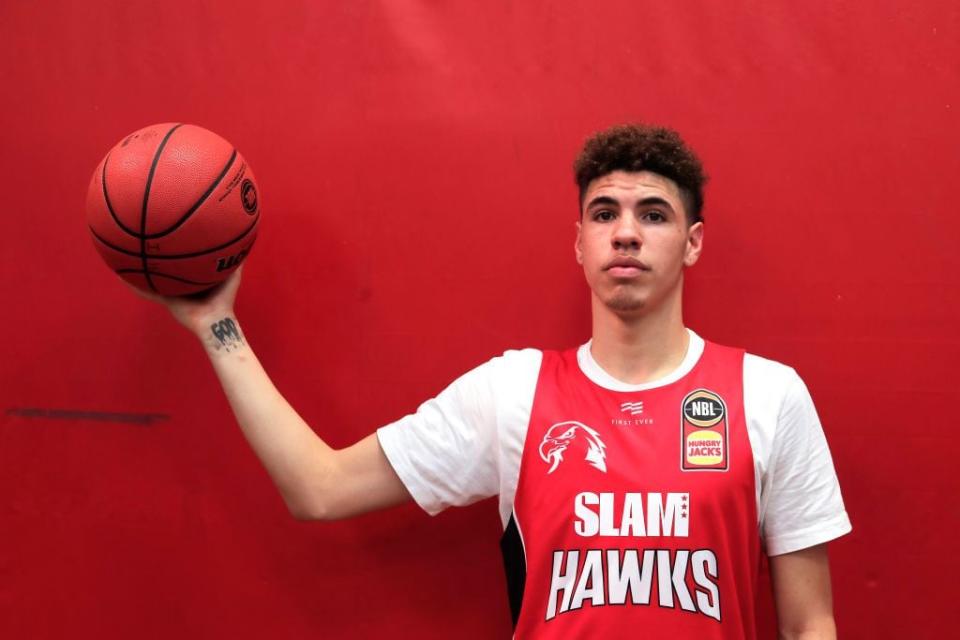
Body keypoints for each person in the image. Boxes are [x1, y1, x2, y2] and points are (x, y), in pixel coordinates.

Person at [133, 123, 851, 639]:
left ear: (692, 242)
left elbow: (808, 622)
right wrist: (215, 328)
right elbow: (319, 487)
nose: (626, 233)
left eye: (653, 215)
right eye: (605, 214)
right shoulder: (515, 393)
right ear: (579, 242)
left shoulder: (767, 395)